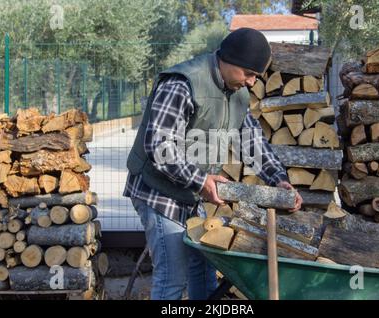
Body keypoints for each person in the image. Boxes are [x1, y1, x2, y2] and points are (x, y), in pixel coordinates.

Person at [124, 27, 303, 300]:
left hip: (192, 194)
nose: (252, 83)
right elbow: (160, 148)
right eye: (249, 74)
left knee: (203, 270)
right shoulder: (183, 83)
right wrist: (201, 181)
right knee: (172, 278)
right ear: (229, 61)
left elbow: (252, 141)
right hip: (158, 191)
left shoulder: (238, 94)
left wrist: (278, 179)